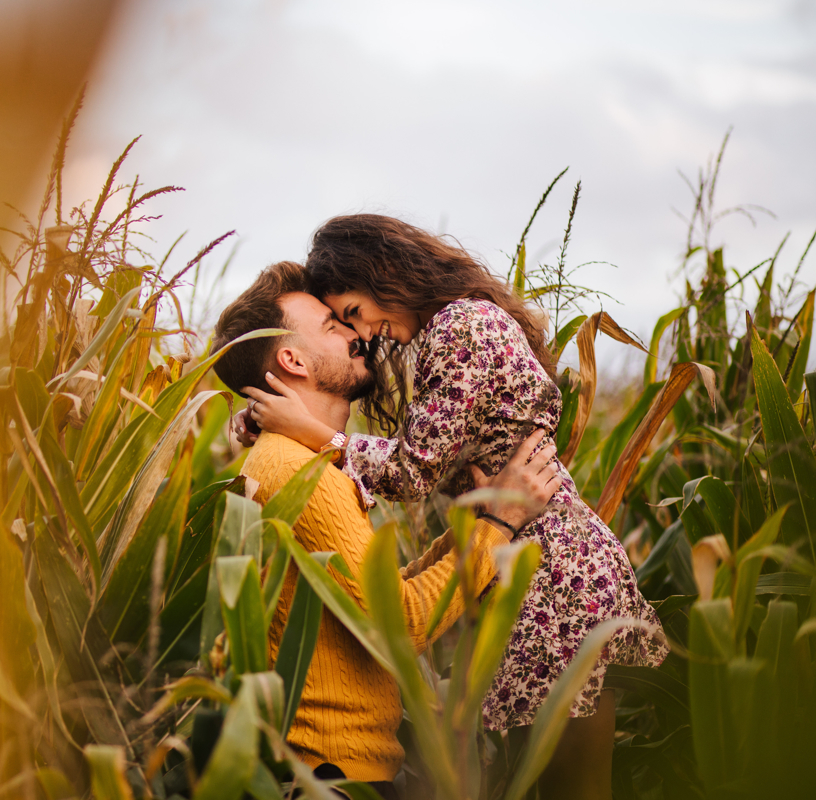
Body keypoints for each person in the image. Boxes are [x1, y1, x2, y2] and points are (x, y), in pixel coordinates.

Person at [236, 216, 667, 800]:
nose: (360, 333)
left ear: (382, 273)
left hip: (552, 569)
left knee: (573, 785)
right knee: (552, 781)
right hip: (533, 557)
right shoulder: (457, 325)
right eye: (340, 323)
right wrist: (277, 422)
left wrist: (313, 433)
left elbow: (412, 471)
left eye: (353, 312)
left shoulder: (459, 328)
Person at [211, 261, 562, 800]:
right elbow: (401, 624)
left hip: (334, 768)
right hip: (331, 777)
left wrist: (487, 521)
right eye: (333, 325)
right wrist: (498, 524)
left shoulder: (300, 461)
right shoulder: (297, 472)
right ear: (292, 360)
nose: (357, 335)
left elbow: (373, 595)